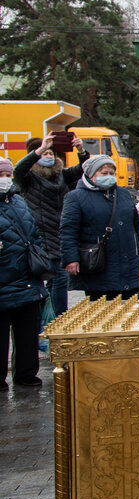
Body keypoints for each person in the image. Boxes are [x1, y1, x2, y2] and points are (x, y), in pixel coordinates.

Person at [12, 136, 89, 316]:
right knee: (57, 278)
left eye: (51, 152)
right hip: (40, 234)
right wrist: (39, 149)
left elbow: (82, 170)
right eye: (44, 153)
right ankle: (58, 317)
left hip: (59, 232)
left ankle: (51, 318)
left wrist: (81, 151)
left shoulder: (60, 175)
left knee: (56, 280)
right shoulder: (28, 178)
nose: (49, 155)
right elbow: (19, 169)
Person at [60, 155, 139, 300]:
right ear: (90, 175)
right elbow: (68, 231)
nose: (109, 177)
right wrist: (71, 259)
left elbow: (136, 228)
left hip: (128, 265)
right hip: (99, 266)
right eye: (104, 173)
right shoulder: (75, 197)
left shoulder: (123, 194)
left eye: (112, 173)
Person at [0, 158, 49, 388]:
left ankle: (26, 372)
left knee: (27, 333)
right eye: (1, 174)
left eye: (7, 174)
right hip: (4, 279)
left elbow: (33, 232)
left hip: (28, 278)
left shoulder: (18, 201)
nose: (5, 179)